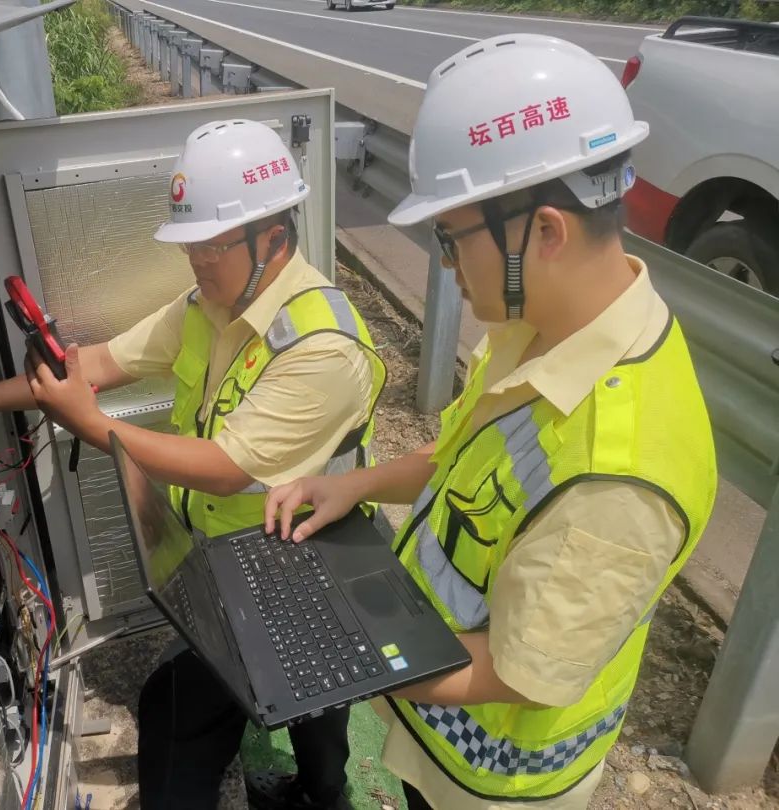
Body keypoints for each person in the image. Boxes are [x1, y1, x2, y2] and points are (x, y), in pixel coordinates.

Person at [264, 35, 717, 810]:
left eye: (451, 237)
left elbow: (518, 675)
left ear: (545, 232)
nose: (445, 263)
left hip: (493, 774)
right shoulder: (544, 326)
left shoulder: (616, 477)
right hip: (435, 716)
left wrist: (351, 658)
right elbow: (465, 458)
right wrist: (353, 485)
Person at [0, 118, 387, 810]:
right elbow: (91, 368)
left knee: (261, 711)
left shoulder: (323, 347)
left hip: (306, 562)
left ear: (273, 237)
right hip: (236, 551)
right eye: (190, 244)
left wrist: (95, 427)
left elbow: (226, 467)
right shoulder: (209, 306)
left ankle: (322, 793)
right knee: (284, 699)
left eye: (211, 245)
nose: (196, 261)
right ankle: (318, 789)